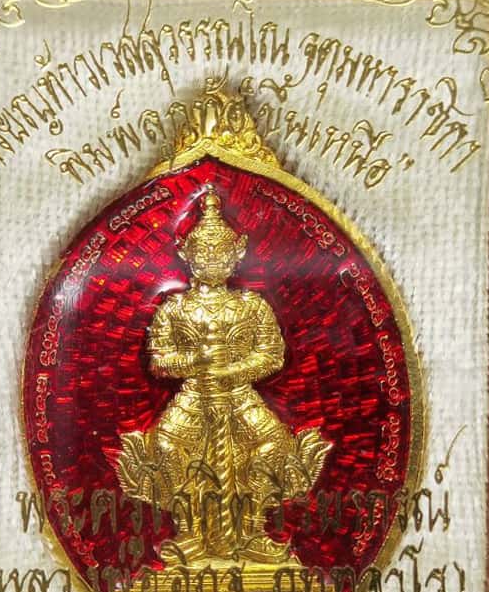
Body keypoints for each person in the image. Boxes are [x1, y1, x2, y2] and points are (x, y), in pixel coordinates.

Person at [113, 184, 331, 566]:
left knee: (273, 447)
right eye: (204, 252)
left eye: (220, 252)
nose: (212, 260)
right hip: (194, 397)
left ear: (238, 252)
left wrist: (233, 371)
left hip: (240, 396)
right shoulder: (174, 308)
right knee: (166, 449)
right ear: (186, 254)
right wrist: (195, 361)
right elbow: (159, 360)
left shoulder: (252, 305)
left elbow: (272, 354)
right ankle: (191, 532)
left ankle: (252, 531)